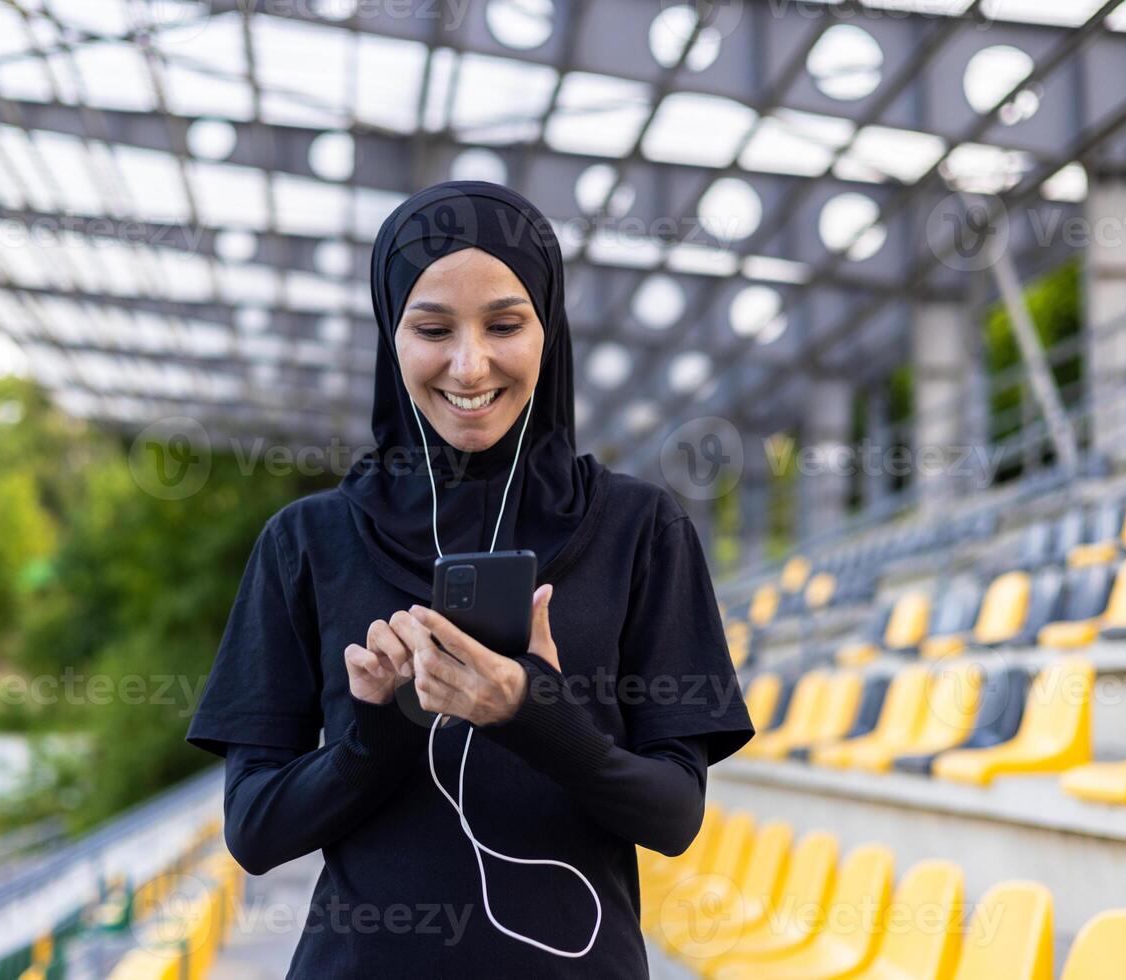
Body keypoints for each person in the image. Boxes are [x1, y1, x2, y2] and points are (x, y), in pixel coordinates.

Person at [185, 180, 755, 978]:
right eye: (432, 328)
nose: (470, 363)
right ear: (392, 334)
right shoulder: (309, 542)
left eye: (505, 324)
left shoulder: (640, 531)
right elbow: (255, 830)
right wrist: (378, 730)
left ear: (548, 330)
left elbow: (673, 815)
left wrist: (535, 714)